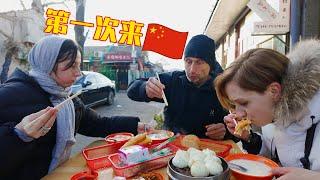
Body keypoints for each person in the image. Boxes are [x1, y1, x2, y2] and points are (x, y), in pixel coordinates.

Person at [0, 36, 147, 179]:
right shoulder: (9, 95)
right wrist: (18, 135)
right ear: (47, 65)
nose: (78, 73)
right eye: (71, 66)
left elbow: (97, 123)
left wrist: (135, 126)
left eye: (78, 65)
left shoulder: (65, 96)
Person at [214, 40, 320, 174]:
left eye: (244, 103)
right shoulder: (274, 114)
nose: (238, 114)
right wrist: (249, 138)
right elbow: (278, 149)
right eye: (234, 105)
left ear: (274, 91)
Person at [127, 34, 234, 140]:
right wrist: (144, 88)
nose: (192, 69)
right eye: (188, 61)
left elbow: (237, 127)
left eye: (199, 62)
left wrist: (225, 131)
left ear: (210, 65)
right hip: (172, 145)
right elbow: (131, 90)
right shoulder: (173, 80)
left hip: (209, 151)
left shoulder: (222, 88)